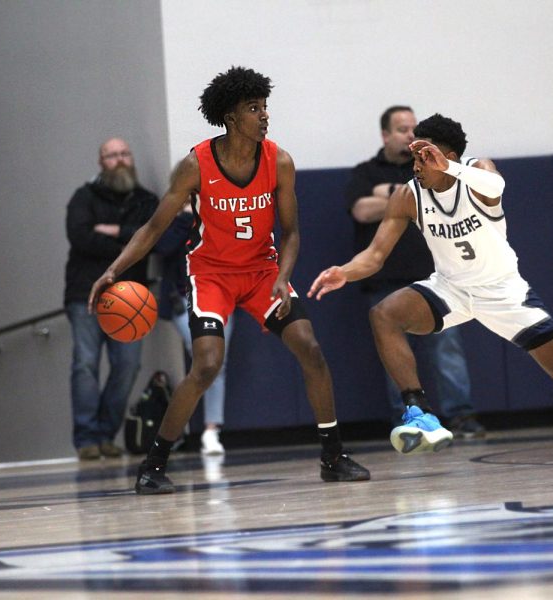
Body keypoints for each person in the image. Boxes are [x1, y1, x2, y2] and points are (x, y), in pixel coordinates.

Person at [88, 66, 370, 494]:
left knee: (310, 349)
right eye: (254, 108)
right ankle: (154, 465)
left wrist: (284, 275)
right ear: (231, 117)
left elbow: (291, 232)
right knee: (205, 365)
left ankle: (333, 457)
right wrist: (113, 271)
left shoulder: (279, 160)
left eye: (265, 106)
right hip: (212, 275)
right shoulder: (194, 164)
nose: (264, 115)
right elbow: (152, 229)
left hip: (262, 274)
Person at [309, 114, 553, 461]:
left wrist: (451, 168)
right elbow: (375, 254)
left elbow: (496, 187)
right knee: (384, 314)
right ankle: (419, 412)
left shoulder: (477, 174)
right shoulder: (408, 195)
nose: (416, 166)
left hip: (503, 292)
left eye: (424, 157)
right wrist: (346, 272)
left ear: (448, 157)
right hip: (450, 289)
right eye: (415, 157)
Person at [346, 105, 483, 436]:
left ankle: (461, 415)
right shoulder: (366, 171)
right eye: (401, 129)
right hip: (385, 280)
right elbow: (362, 210)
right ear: (385, 135)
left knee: (447, 348)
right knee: (393, 349)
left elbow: (450, 188)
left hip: (437, 278)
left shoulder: (427, 166)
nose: (410, 135)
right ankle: (409, 415)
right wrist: (401, 195)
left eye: (413, 129)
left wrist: (388, 194)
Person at [64, 137, 158, 460]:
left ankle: (106, 434)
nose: (119, 159)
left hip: (131, 298)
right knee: (85, 366)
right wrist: (129, 245)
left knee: (128, 367)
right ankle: (87, 439)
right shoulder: (83, 197)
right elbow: (80, 237)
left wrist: (111, 231)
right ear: (100, 162)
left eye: (124, 153)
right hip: (84, 294)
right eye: (111, 155)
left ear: (131, 158)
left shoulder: (147, 200)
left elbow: (153, 238)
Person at [155, 204, 232, 454]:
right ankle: (172, 432)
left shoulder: (219, 217)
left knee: (216, 363)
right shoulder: (170, 219)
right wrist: (186, 217)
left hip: (218, 299)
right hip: (182, 300)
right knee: (203, 359)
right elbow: (163, 248)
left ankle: (211, 429)